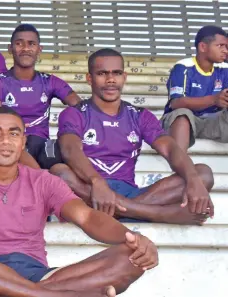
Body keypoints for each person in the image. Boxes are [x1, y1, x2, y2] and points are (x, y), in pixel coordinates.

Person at [0, 106, 156, 297]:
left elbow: (86, 216)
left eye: (13, 133)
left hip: (38, 274)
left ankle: (27, 293)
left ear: (23, 142)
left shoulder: (43, 181)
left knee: (131, 257)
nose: (5, 140)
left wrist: (132, 238)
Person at [50, 48, 215, 225]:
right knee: (58, 173)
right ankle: (158, 214)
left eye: (117, 73)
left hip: (132, 194)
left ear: (124, 77)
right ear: (89, 78)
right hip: (89, 190)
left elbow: (170, 148)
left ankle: (123, 211)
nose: (111, 79)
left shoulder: (139, 115)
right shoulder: (75, 113)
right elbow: (70, 149)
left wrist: (192, 179)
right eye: (102, 73)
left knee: (203, 173)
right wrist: (96, 181)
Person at [0, 24, 81, 169]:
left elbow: (79, 106)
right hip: (11, 141)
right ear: (10, 49)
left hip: (42, 145)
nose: (25, 48)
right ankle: (42, 179)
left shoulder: (49, 81)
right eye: (19, 43)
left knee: (60, 161)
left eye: (31, 44)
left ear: (39, 49)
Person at [160, 25, 228, 151]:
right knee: (182, 114)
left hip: (211, 123)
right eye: (220, 46)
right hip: (184, 122)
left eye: (226, 47)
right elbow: (176, 103)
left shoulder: (224, 69)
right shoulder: (183, 67)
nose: (225, 51)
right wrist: (214, 99)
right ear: (203, 47)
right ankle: (181, 167)